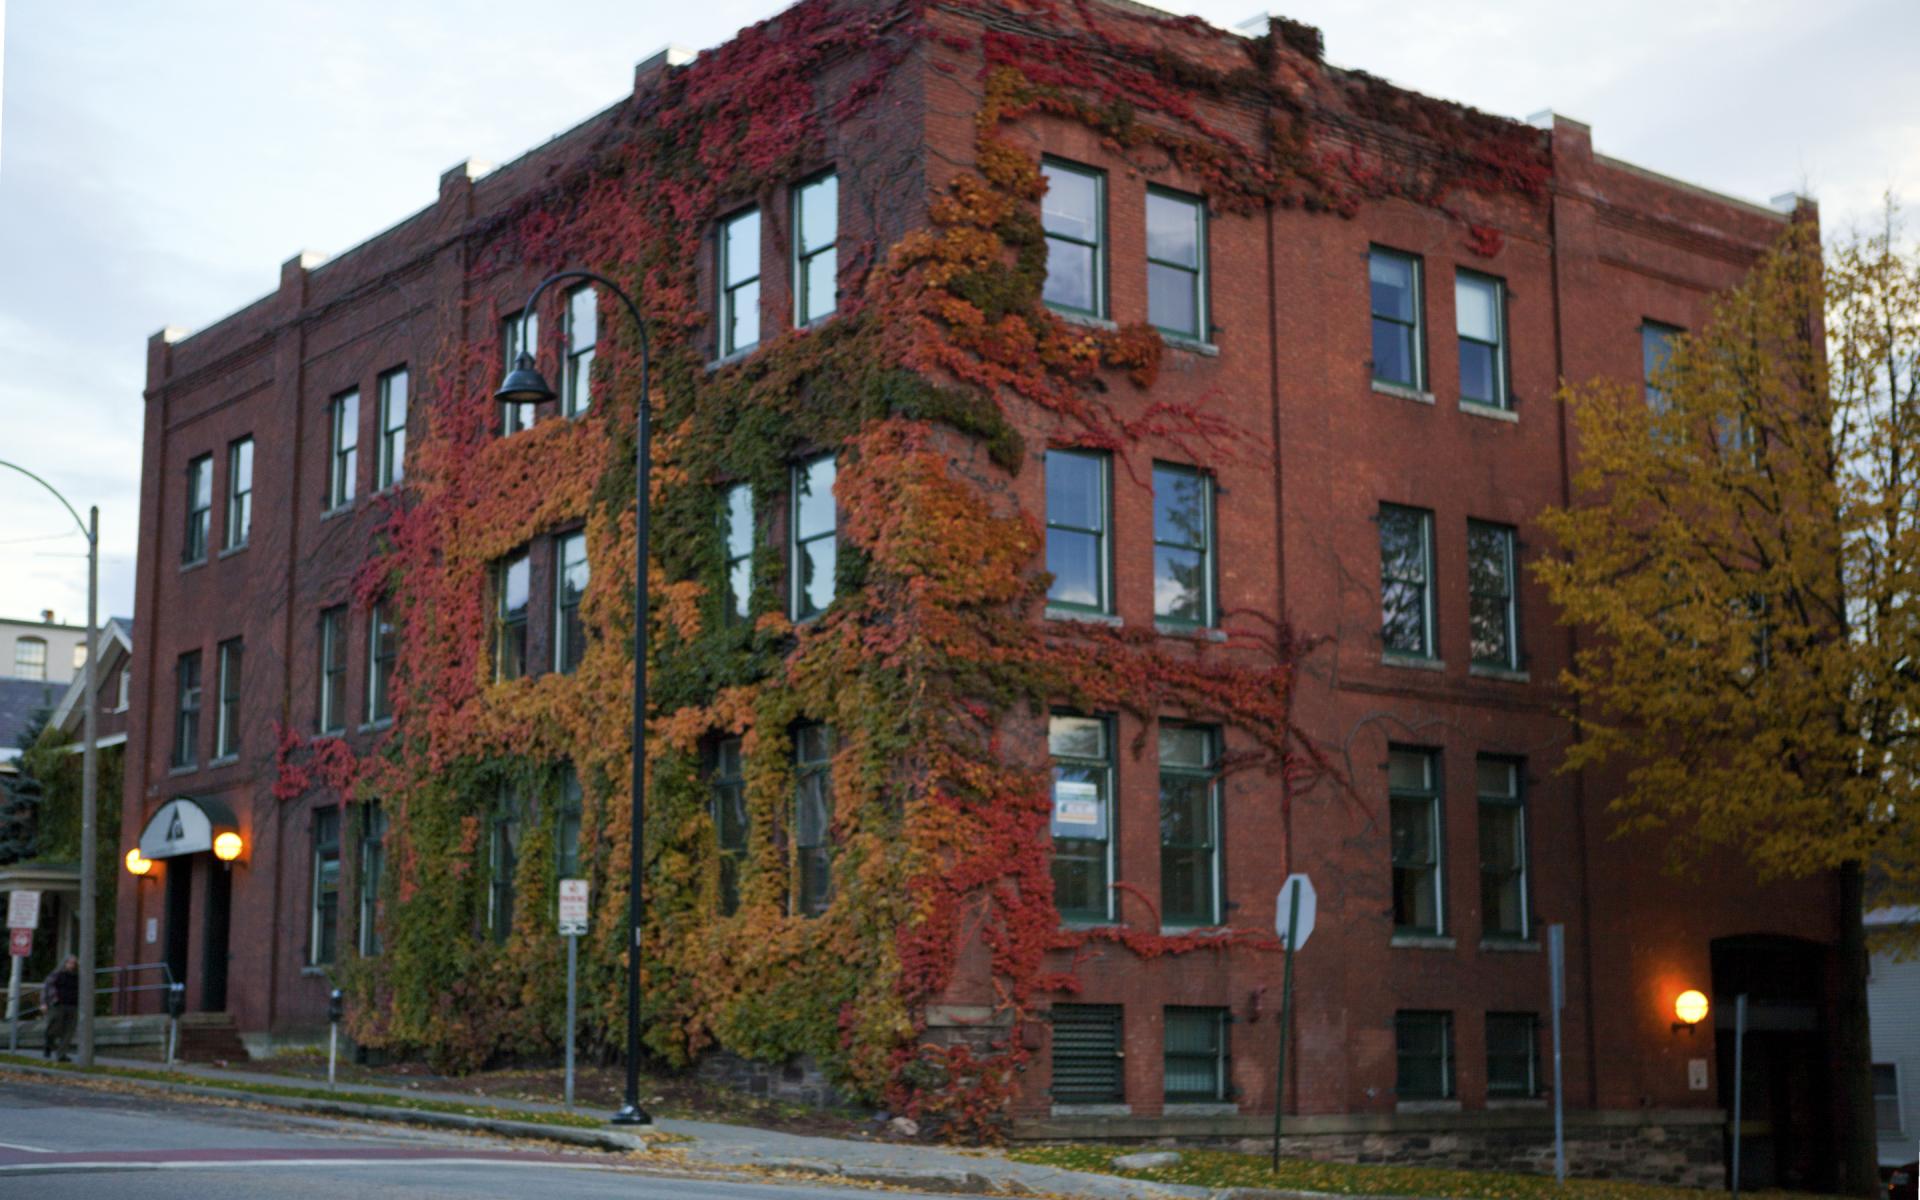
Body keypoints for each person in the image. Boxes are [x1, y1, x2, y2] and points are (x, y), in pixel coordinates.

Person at [42, 955, 79, 1062]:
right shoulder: (57, 975)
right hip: (57, 1004)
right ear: (65, 963)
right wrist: (44, 1003)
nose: (72, 965)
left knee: (68, 1031)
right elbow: (46, 987)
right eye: (70, 963)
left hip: (72, 1005)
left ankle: (61, 1054)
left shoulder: (78, 977)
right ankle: (48, 1044)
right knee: (53, 1028)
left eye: (74, 963)